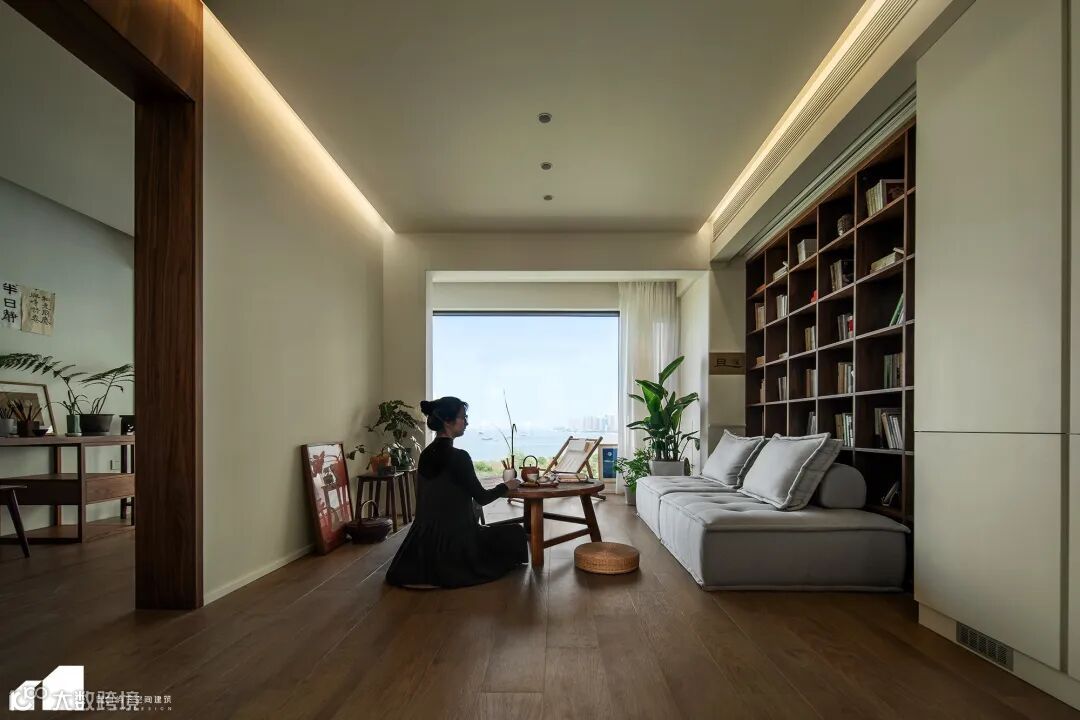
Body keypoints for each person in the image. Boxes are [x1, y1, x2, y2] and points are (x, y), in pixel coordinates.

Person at [385, 396, 527, 588]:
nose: (467, 422)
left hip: (424, 541)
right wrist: (507, 485)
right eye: (463, 417)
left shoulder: (425, 454)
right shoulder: (459, 457)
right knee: (516, 533)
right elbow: (482, 498)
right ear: (447, 421)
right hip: (457, 540)